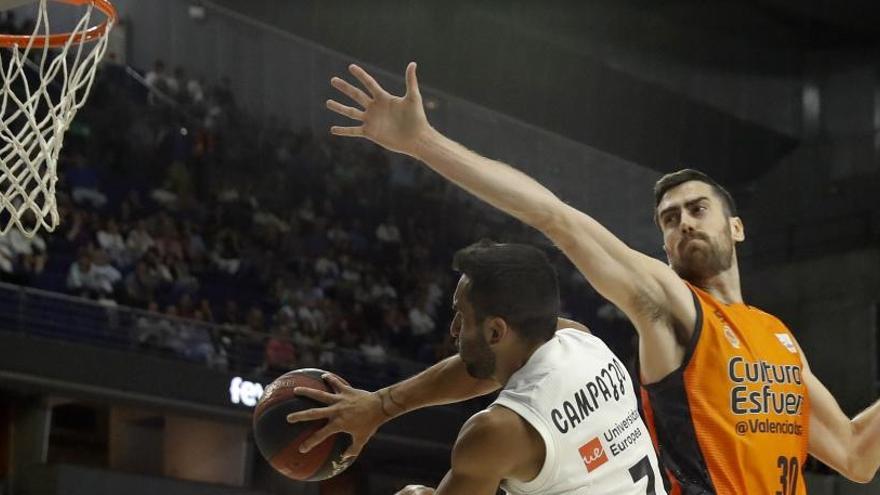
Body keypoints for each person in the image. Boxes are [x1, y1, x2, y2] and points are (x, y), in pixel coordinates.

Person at [294, 62, 880, 493]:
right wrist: (424, 143)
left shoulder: (777, 338)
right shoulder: (674, 308)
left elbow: (856, 455)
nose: (682, 224)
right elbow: (557, 218)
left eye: (697, 209)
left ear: (737, 228)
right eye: (668, 219)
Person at [291, 241, 665, 494]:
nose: (453, 329)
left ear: (495, 330)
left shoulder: (495, 431)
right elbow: (476, 370)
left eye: (460, 315)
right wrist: (380, 405)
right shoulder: (584, 343)